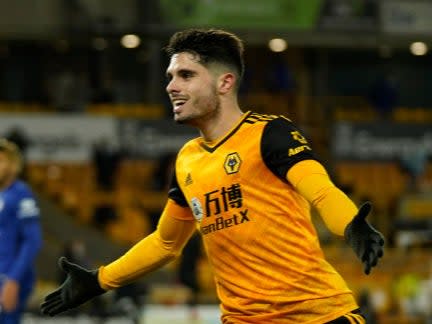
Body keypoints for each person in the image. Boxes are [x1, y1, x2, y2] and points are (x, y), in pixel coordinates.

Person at [41, 28, 385, 323]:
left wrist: (351, 223)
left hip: (316, 316)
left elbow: (321, 191)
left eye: (186, 75)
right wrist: (99, 280)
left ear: (225, 82)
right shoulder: (186, 160)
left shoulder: (270, 133)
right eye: (170, 77)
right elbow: (166, 242)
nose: (171, 87)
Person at [0, 139, 43, 323]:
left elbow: (33, 240)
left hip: (9, 277)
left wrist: (13, 280)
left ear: (13, 165)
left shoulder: (21, 193)